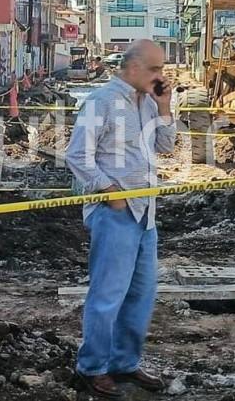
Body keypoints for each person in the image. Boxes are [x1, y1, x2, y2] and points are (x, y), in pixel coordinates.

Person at [65, 39, 175, 398]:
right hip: (116, 212)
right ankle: (92, 367)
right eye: (155, 69)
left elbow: (166, 146)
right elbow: (78, 155)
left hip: (146, 213)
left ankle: (125, 363)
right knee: (108, 294)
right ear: (132, 68)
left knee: (140, 294)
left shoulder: (147, 103)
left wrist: (164, 107)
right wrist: (106, 190)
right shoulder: (102, 102)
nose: (162, 76)